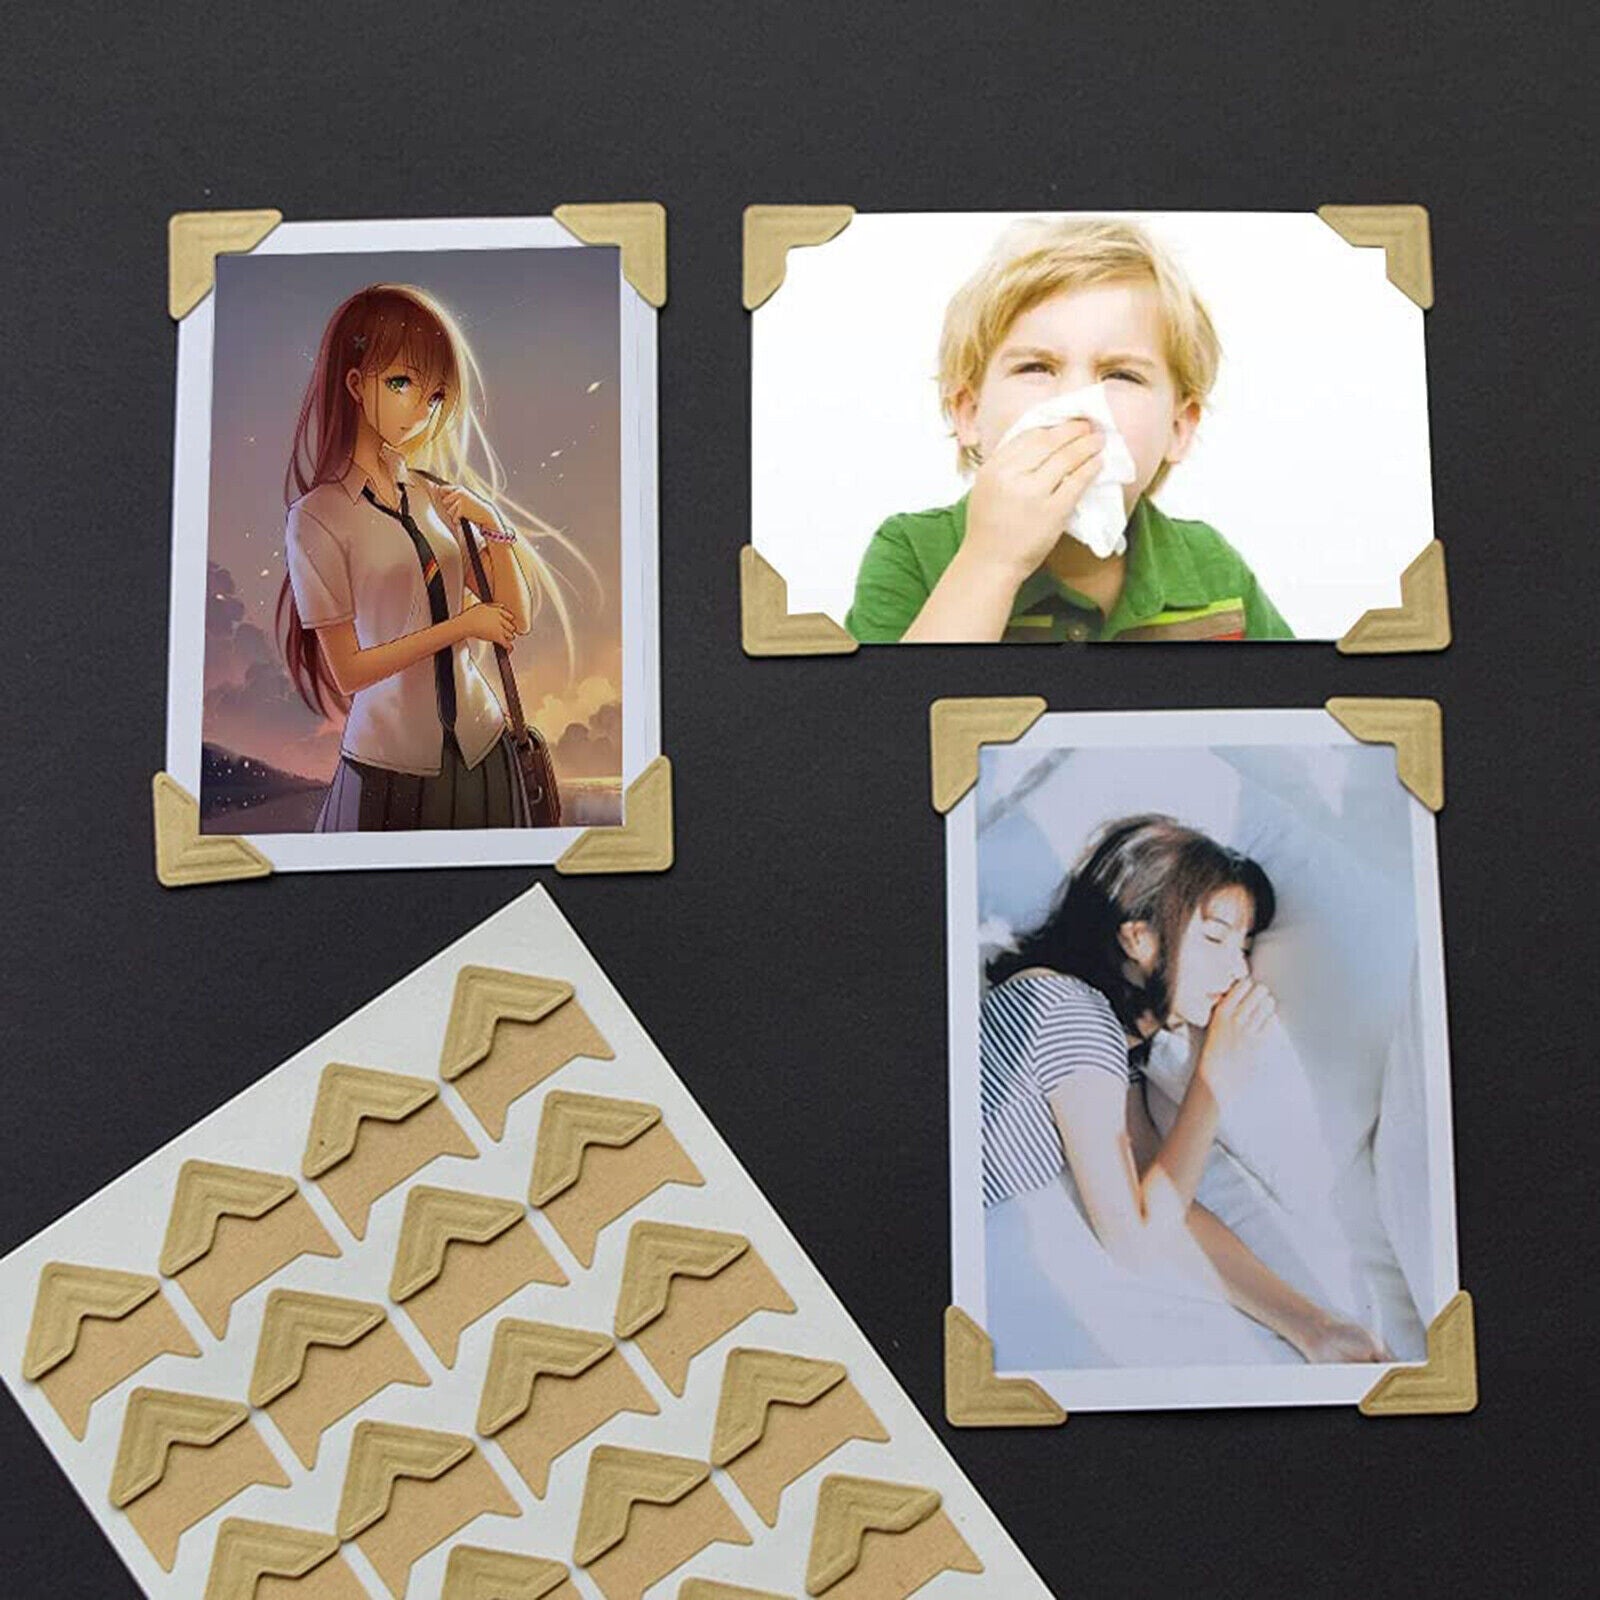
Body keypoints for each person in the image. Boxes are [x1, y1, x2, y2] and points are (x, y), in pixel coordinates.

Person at [981, 815, 1386, 1368]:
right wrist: (1213, 1082)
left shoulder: (1110, 1054)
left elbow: (1166, 1207)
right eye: (1215, 938)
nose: (1238, 970)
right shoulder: (1070, 1013)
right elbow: (1134, 1241)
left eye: (1244, 946)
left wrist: (1313, 1326)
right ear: (1138, 937)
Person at [846, 219, 1292, 643]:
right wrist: (991, 561)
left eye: (1121, 375)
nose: (1078, 402)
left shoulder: (1212, 568)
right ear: (969, 414)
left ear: (1178, 428)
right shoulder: (912, 552)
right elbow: (902, 701)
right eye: (1036, 367)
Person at [277, 282, 584, 830]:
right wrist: (461, 626)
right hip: (387, 764)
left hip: (482, 747)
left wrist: (494, 524)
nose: (422, 410)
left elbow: (516, 617)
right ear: (355, 383)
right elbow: (348, 671)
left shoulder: (435, 495)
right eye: (402, 383)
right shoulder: (317, 517)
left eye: (436, 396)